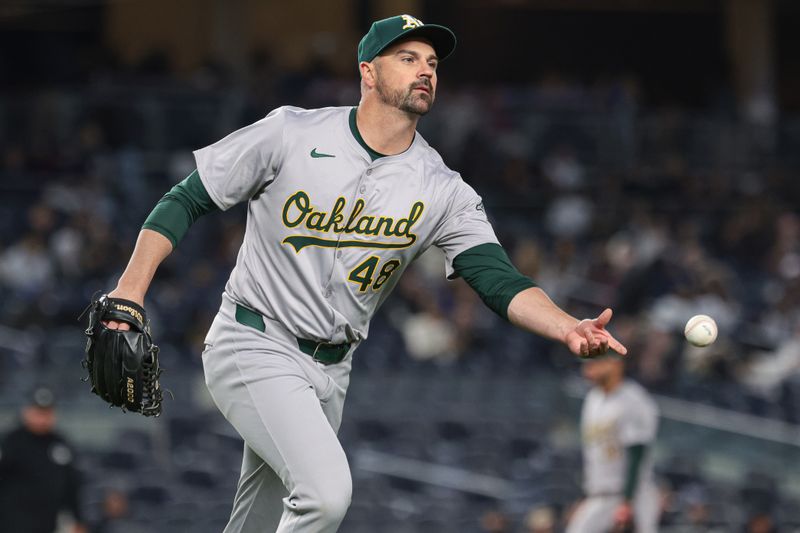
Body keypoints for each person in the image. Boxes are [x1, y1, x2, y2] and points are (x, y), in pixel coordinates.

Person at [104, 14, 627, 533]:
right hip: (254, 340)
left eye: (431, 62)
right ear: (368, 73)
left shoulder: (441, 186)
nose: (425, 70)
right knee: (326, 497)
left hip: (333, 371)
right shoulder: (290, 132)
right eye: (407, 58)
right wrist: (131, 290)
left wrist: (565, 325)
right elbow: (186, 199)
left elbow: (497, 278)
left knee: (260, 521)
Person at [567, 355, 659, 533]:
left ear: (615, 364)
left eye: (596, 363)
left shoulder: (634, 400)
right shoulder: (592, 399)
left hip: (633, 493)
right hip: (599, 492)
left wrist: (627, 501)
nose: (589, 369)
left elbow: (637, 453)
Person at [0, 387, 88, 533]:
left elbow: (72, 486)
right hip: (12, 524)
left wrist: (78, 519)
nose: (42, 418)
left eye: (47, 412)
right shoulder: (11, 442)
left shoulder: (60, 444)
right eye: (38, 412)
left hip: (47, 524)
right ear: (26, 411)